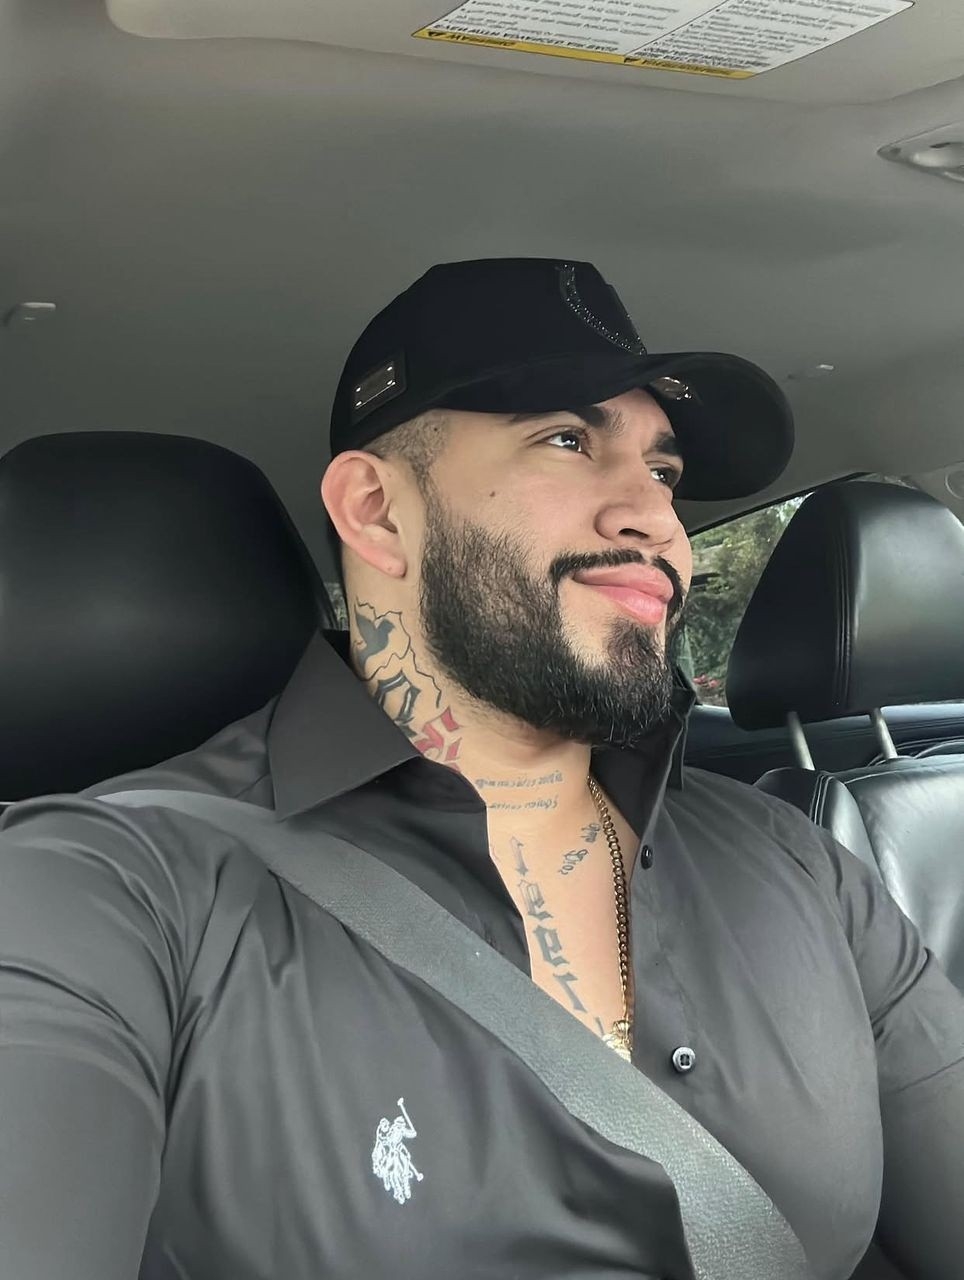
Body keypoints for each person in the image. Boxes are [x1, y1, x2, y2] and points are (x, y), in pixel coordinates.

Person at [0, 257, 961, 1280]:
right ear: (375, 510)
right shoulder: (102, 891)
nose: (657, 520)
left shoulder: (798, 863)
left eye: (664, 472)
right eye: (568, 440)